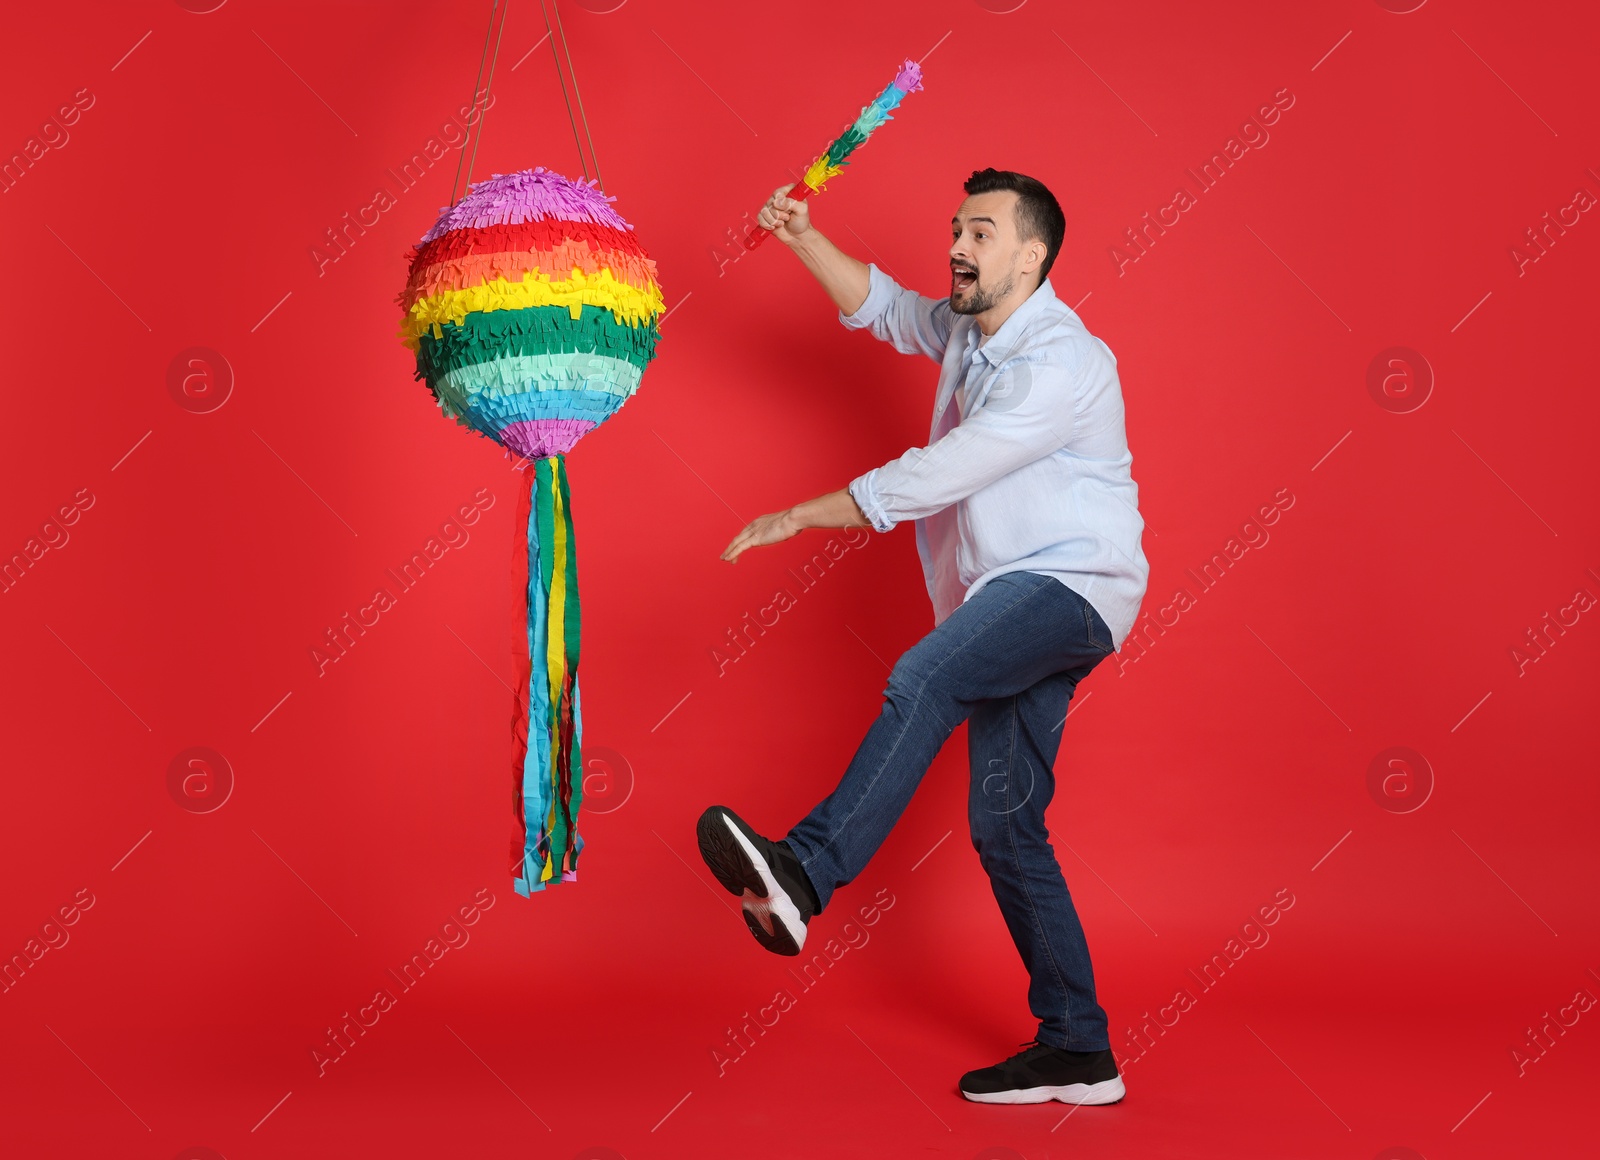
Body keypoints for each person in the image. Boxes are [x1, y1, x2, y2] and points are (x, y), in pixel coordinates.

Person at [695, 167, 1148, 1106]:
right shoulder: (971, 334)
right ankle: (1079, 1047)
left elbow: (942, 472)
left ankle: (804, 875)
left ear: (1034, 255)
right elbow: (891, 309)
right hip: (1023, 598)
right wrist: (800, 235)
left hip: (1069, 587)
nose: (957, 247)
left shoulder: (1058, 362)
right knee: (1007, 828)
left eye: (981, 234)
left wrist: (799, 516)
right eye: (955, 228)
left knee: (924, 677)